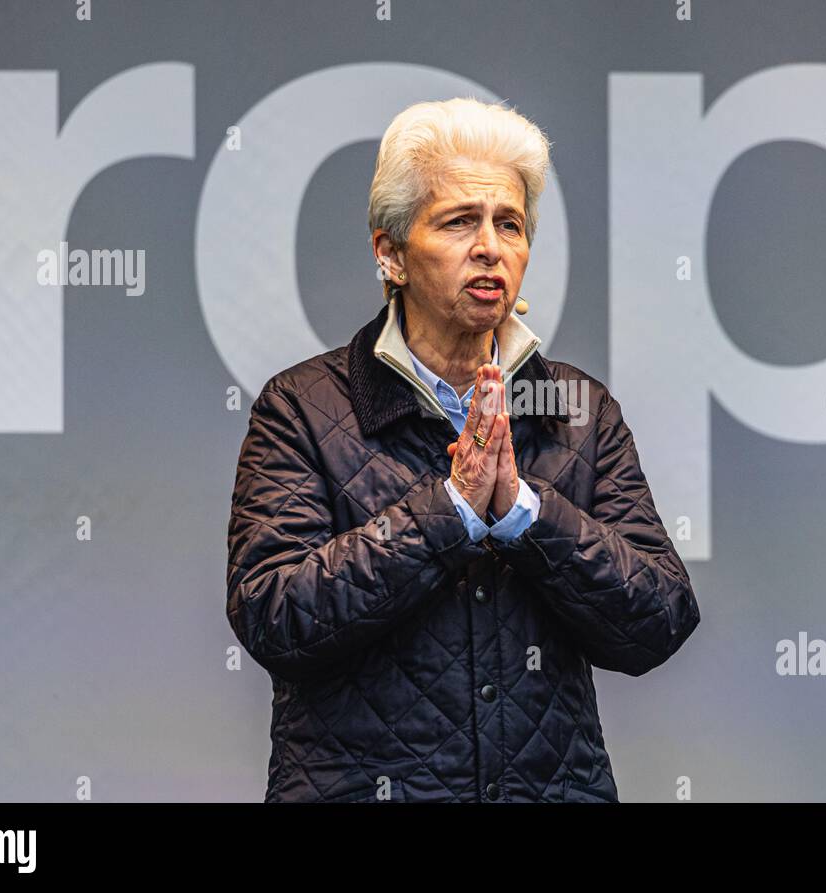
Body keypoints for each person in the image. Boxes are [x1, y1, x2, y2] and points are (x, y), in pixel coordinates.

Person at [226, 96, 700, 803]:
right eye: (458, 222)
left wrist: (524, 514)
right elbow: (276, 614)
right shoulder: (300, 406)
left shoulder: (578, 409)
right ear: (389, 252)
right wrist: (447, 511)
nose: (490, 246)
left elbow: (658, 617)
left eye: (510, 223)